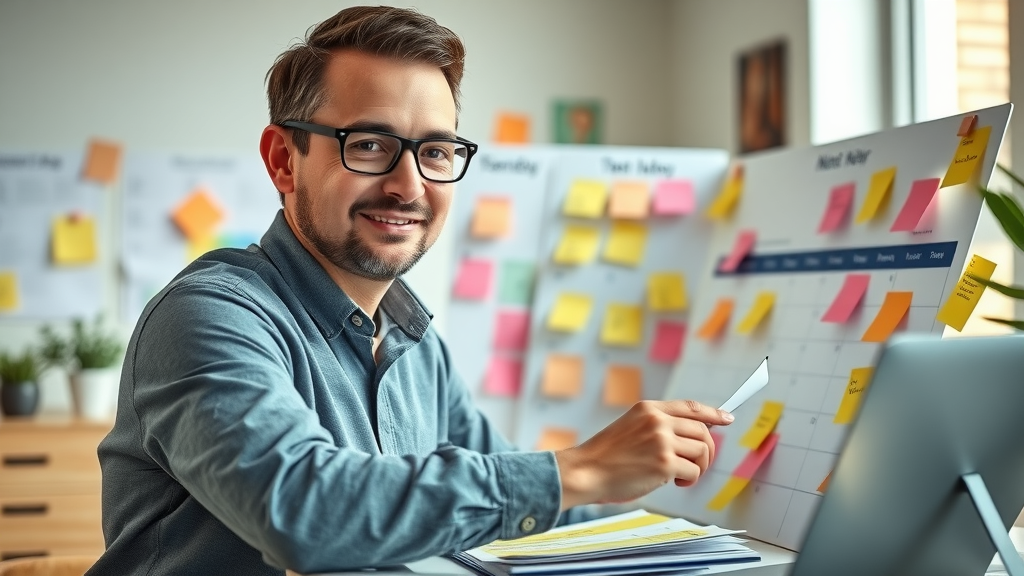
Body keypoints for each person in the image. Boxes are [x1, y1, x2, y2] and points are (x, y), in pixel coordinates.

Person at [86, 6, 734, 575]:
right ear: (285, 160)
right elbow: (300, 510)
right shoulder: (209, 316)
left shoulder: (416, 346)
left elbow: (518, 507)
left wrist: (705, 537)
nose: (409, 185)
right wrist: (579, 469)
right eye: (368, 145)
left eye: (437, 151)